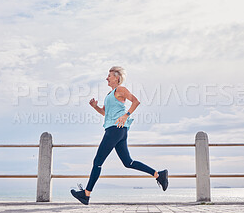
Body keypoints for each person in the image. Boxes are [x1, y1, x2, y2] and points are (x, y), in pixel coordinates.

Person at [70, 66, 169, 205]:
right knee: (128, 162)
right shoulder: (109, 95)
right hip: (118, 130)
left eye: (109, 76)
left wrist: (125, 115)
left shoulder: (120, 90)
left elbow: (136, 101)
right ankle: (159, 175)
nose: (106, 78)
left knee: (97, 162)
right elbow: (105, 113)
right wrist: (94, 107)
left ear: (117, 77)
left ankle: (86, 194)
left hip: (115, 129)